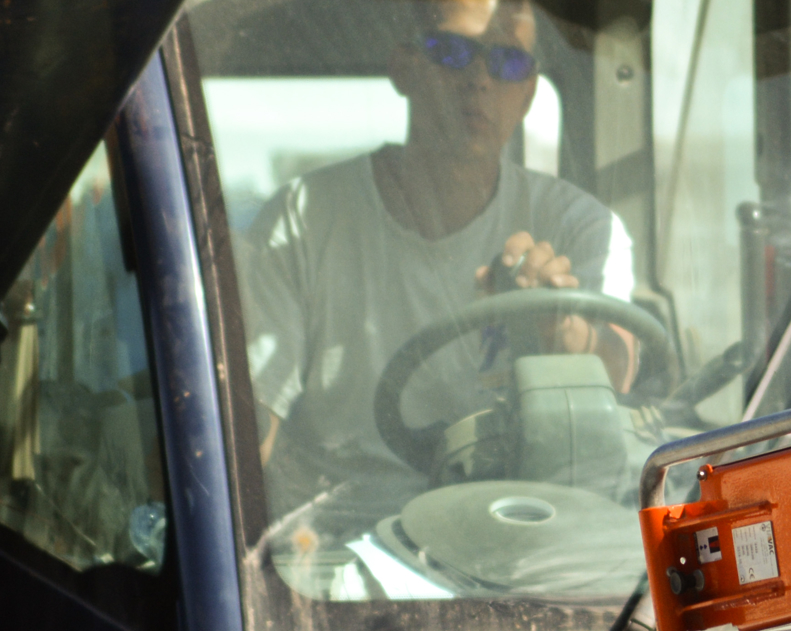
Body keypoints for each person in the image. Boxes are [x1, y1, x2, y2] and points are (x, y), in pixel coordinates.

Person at [238, 0, 638, 531]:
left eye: (508, 64)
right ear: (402, 69)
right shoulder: (303, 221)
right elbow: (249, 427)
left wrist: (563, 332)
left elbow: (621, 366)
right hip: (339, 545)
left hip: (521, 534)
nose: (479, 80)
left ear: (529, 94)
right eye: (452, 52)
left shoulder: (579, 226)